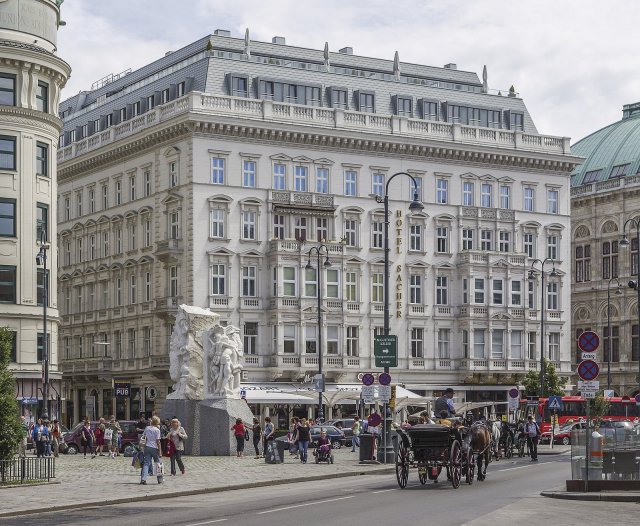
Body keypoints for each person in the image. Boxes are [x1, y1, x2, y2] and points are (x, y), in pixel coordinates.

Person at [140, 416, 163, 485]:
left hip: (147, 447)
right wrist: (160, 451)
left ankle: (143, 479)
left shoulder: (147, 428)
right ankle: (160, 479)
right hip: (155, 448)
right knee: (158, 463)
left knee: (146, 463)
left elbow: (143, 436)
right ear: (157, 422)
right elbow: (158, 441)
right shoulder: (157, 430)